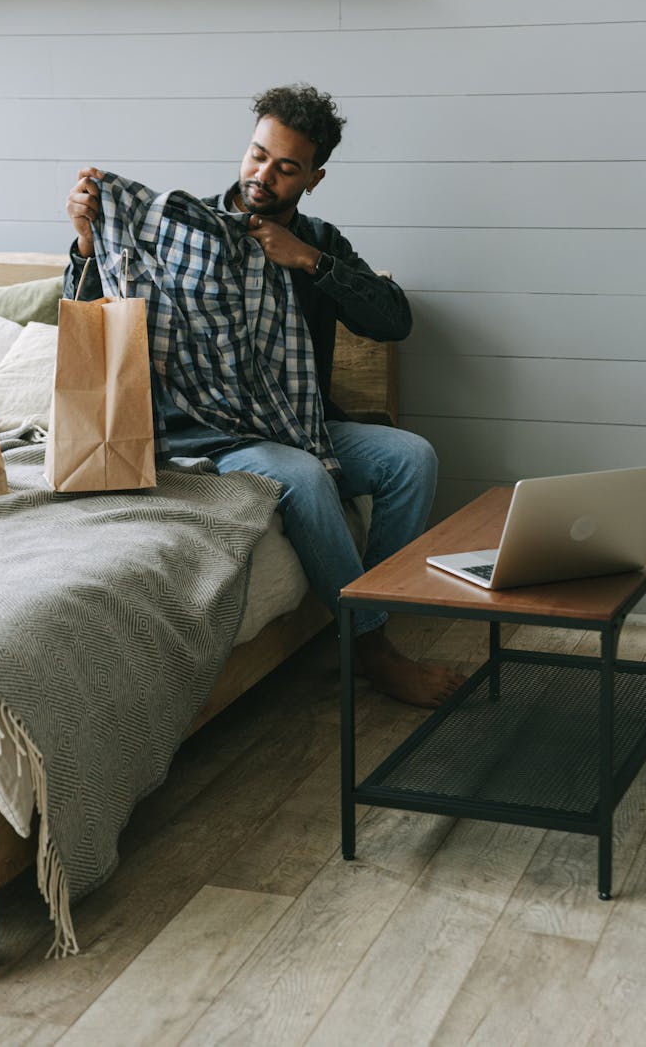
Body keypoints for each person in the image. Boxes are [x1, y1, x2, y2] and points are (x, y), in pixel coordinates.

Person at [64, 83, 464, 708]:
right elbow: (96, 312)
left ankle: (372, 619)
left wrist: (307, 260)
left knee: (412, 457)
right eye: (257, 155)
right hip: (202, 433)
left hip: (296, 422)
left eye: (285, 168)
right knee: (303, 477)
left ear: (314, 176)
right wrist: (88, 242)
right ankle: (373, 648)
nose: (262, 175)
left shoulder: (321, 241)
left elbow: (393, 320)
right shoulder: (177, 226)